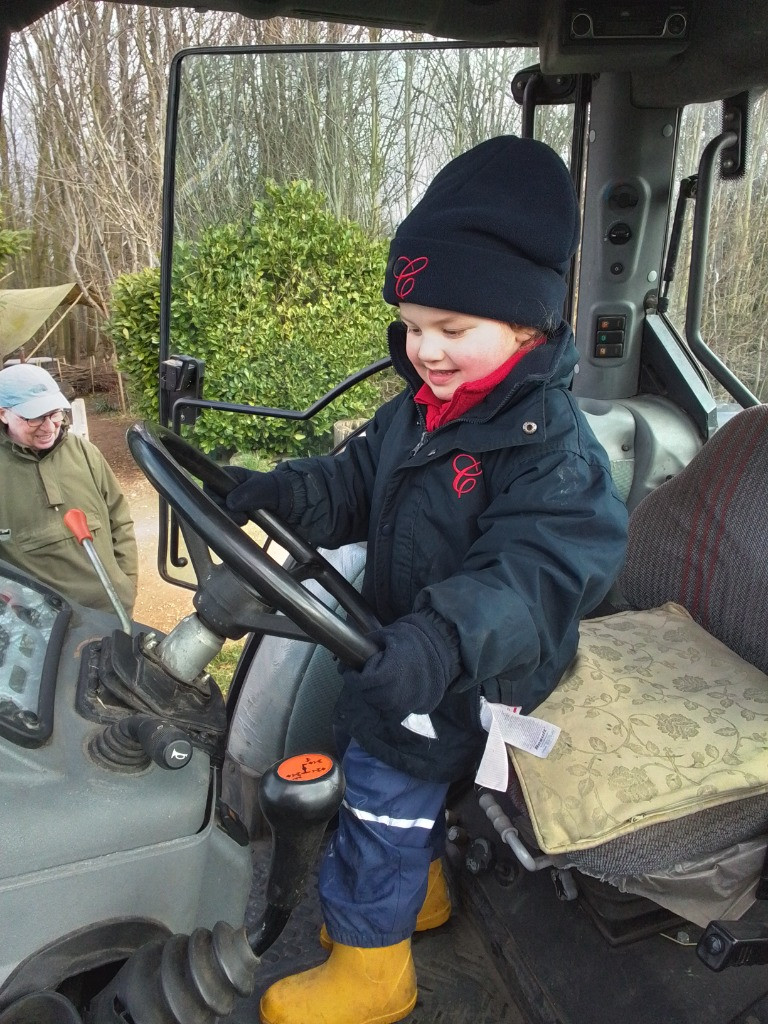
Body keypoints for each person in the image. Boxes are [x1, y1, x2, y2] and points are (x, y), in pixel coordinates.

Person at [216, 136, 629, 1024]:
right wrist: (279, 492)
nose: (424, 350)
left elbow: (532, 578)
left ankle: (374, 974)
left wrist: (442, 642)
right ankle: (422, 898)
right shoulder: (421, 411)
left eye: (452, 329)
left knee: (384, 770)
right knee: (384, 733)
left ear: (527, 327)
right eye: (411, 325)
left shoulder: (552, 452)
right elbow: (356, 483)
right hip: (418, 635)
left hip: (491, 665)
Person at [0, 363, 138, 616]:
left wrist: (124, 585)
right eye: (35, 417)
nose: (50, 427)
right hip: (42, 626)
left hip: (112, 610)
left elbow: (119, 519)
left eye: (55, 413)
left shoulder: (84, 452)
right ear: (3, 414)